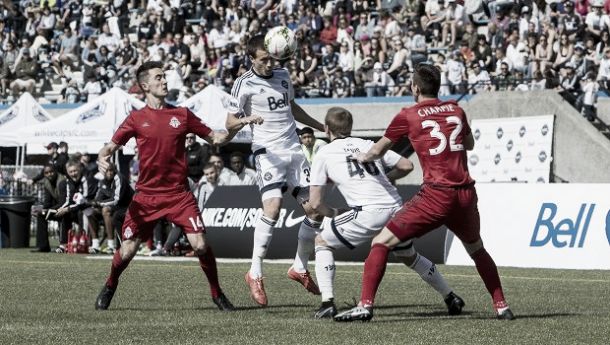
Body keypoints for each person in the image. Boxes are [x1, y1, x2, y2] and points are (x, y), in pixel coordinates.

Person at [334, 64, 515, 322]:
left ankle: (365, 305)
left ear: (415, 87)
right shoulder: (456, 109)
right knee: (477, 249)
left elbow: (378, 150)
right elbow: (470, 145)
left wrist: (362, 157)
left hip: (436, 195)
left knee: (380, 242)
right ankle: (502, 306)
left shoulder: (408, 115)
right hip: (464, 195)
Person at [94, 61, 263, 311]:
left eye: (165, 77)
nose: (165, 81)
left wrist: (239, 124)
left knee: (201, 245)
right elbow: (108, 148)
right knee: (127, 251)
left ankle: (217, 294)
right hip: (146, 198)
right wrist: (101, 159)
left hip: (179, 196)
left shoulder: (182, 115)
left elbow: (216, 138)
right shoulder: (136, 119)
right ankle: (110, 285)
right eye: (159, 77)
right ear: (145, 85)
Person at [308, 106, 465, 319]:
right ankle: (450, 296)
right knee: (408, 255)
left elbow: (315, 203)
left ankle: (327, 302)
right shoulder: (368, 144)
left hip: (368, 211)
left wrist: (335, 213)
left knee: (321, 241)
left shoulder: (324, 152)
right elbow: (407, 165)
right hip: (396, 208)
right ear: (351, 127)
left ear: (326, 128)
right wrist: (386, 177)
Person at [226, 34, 325, 307]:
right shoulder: (243, 84)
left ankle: (299, 267)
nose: (269, 64)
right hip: (267, 153)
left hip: (293, 150)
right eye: (263, 59)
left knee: (314, 209)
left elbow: (291, 108)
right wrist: (248, 118)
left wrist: (319, 126)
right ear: (252, 59)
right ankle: (255, 273)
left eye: (271, 58)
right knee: (273, 207)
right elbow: (230, 122)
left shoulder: (283, 74)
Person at [89, 162, 133, 254]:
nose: (109, 173)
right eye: (107, 170)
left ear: (115, 170)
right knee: (90, 212)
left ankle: (111, 245)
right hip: (115, 207)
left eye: (111, 170)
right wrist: (94, 203)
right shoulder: (102, 182)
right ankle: (95, 244)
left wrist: (100, 203)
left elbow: (117, 200)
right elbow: (98, 198)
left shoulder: (119, 178)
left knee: (106, 210)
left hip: (128, 207)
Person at [54, 159, 98, 253]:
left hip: (90, 208)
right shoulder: (68, 181)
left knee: (83, 212)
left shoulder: (86, 179)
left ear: (79, 169)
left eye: (75, 171)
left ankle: (85, 243)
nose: (73, 174)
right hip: (76, 208)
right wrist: (62, 209)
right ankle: (63, 245)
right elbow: (68, 200)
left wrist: (68, 209)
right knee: (63, 214)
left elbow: (84, 201)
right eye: (70, 172)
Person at [31, 165, 65, 253]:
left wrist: (47, 210)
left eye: (51, 172)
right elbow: (47, 202)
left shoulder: (62, 181)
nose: (49, 174)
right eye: (46, 173)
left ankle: (63, 245)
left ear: (55, 171)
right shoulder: (46, 182)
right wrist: (42, 210)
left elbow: (63, 202)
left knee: (62, 215)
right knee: (41, 215)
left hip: (66, 209)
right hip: (56, 208)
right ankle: (43, 246)